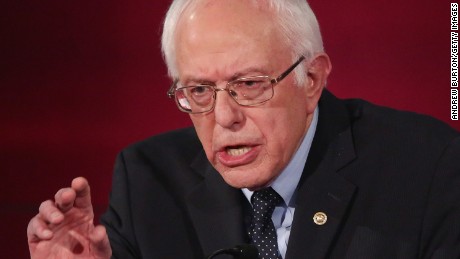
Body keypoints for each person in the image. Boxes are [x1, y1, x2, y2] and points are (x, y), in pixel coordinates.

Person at [27, 0, 460, 258]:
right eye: (198, 90)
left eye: (249, 85)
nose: (224, 118)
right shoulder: (147, 181)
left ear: (311, 80)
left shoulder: (427, 169)